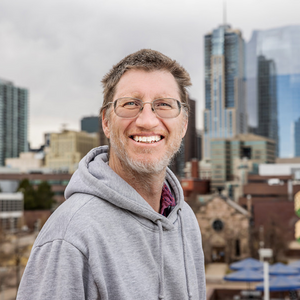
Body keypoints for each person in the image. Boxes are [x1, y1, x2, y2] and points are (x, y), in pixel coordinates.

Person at [17, 49, 206, 300]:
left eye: (163, 104)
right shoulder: (70, 237)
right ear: (106, 121)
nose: (147, 121)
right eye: (131, 104)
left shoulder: (185, 220)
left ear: (183, 125)